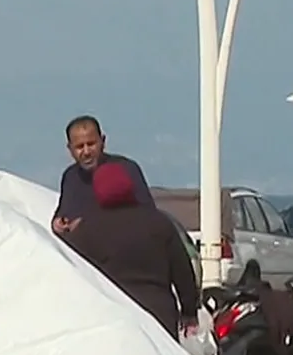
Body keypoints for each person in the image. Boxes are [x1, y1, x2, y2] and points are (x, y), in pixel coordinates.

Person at [61, 162, 198, 338]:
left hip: (113, 317)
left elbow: (70, 272)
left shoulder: (85, 230)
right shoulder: (160, 222)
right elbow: (182, 272)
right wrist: (189, 312)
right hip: (159, 315)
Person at [51, 115, 155, 235]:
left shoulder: (125, 169)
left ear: (103, 141)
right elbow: (64, 211)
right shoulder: (70, 177)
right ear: (70, 149)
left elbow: (147, 215)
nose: (86, 152)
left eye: (91, 144)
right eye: (79, 147)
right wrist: (57, 223)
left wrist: (86, 225)